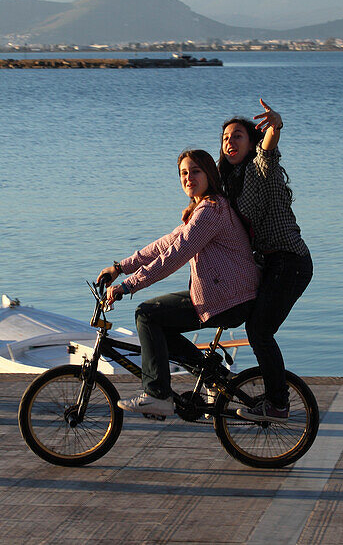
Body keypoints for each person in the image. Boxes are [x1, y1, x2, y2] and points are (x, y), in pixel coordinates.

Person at [97, 148, 260, 418]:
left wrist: (129, 285)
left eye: (195, 171)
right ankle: (214, 376)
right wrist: (120, 267)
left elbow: (175, 256)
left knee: (147, 315)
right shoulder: (202, 209)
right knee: (160, 325)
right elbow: (166, 243)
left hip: (229, 298)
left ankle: (157, 394)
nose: (188, 177)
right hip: (223, 293)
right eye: (184, 173)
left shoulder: (211, 211)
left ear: (209, 174)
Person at [218, 99, 313, 423]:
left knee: (259, 330)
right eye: (226, 138)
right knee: (244, 318)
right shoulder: (231, 184)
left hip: (291, 262)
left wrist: (275, 125)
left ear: (252, 142)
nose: (230, 142)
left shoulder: (260, 168)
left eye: (238, 136)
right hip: (269, 265)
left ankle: (278, 403)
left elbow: (268, 149)